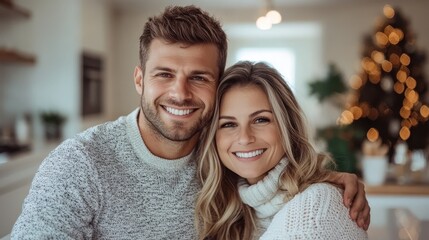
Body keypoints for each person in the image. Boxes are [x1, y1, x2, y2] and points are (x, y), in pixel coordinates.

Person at [11, 6, 369, 239]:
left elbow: (277, 184)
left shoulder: (223, 156)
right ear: (139, 79)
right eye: (164, 74)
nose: (180, 93)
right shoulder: (81, 163)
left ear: (217, 85)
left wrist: (321, 184)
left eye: (198, 77)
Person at [195, 61, 369, 239]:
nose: (245, 138)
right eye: (228, 124)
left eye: (260, 120)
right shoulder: (232, 213)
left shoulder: (315, 206)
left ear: (288, 126)